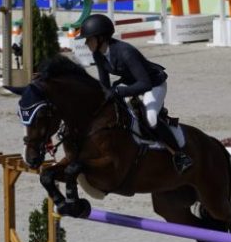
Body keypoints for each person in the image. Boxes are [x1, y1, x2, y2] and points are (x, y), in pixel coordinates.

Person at [76, 14, 192, 174]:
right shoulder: (98, 54)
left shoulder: (126, 52)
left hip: (153, 84)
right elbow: (105, 83)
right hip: (131, 82)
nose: (86, 42)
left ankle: (179, 155)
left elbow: (145, 84)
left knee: (150, 118)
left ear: (100, 38)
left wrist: (118, 92)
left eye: (89, 39)